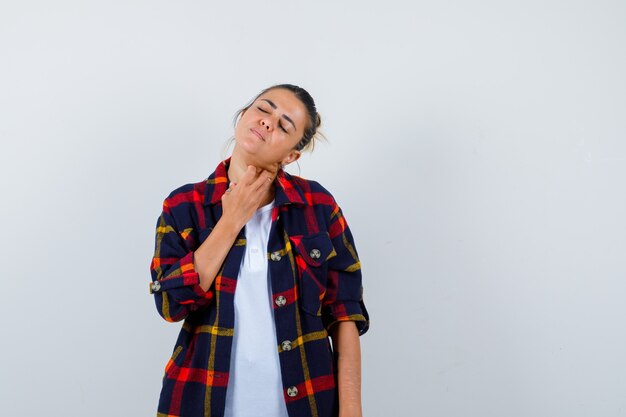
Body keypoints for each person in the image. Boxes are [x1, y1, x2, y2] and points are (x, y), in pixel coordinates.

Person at [149, 83, 369, 417]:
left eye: (284, 125)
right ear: (243, 115)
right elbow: (170, 304)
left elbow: (344, 315)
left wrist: (351, 410)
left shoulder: (318, 206)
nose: (268, 122)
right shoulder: (184, 206)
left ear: (291, 155)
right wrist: (231, 220)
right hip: (200, 400)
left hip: (306, 403)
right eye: (263, 109)